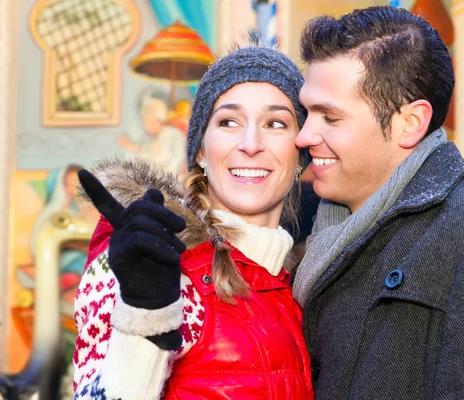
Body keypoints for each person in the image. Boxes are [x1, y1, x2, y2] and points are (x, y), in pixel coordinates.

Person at [292, 6, 464, 399]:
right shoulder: (323, 227)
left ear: (410, 122)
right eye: (306, 113)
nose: (304, 136)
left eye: (329, 118)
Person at [72, 45, 313, 399]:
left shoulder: (301, 290)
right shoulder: (147, 252)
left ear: (300, 155)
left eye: (275, 123)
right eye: (228, 121)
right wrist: (144, 316)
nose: (251, 144)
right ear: (200, 150)